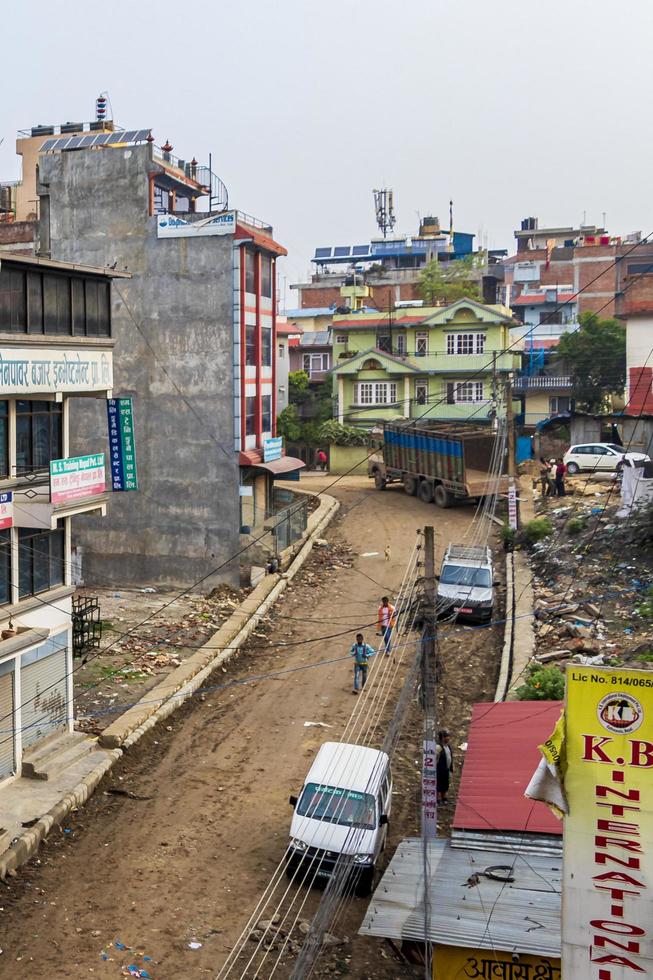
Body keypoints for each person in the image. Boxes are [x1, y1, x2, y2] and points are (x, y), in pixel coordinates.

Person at [435, 730, 454, 805]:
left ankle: (444, 797)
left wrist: (451, 767)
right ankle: (437, 798)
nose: (448, 738)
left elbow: (450, 757)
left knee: (445, 783)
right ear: (443, 738)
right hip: (440, 770)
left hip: (446, 769)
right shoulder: (438, 747)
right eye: (447, 737)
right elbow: (435, 758)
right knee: (438, 784)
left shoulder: (448, 746)